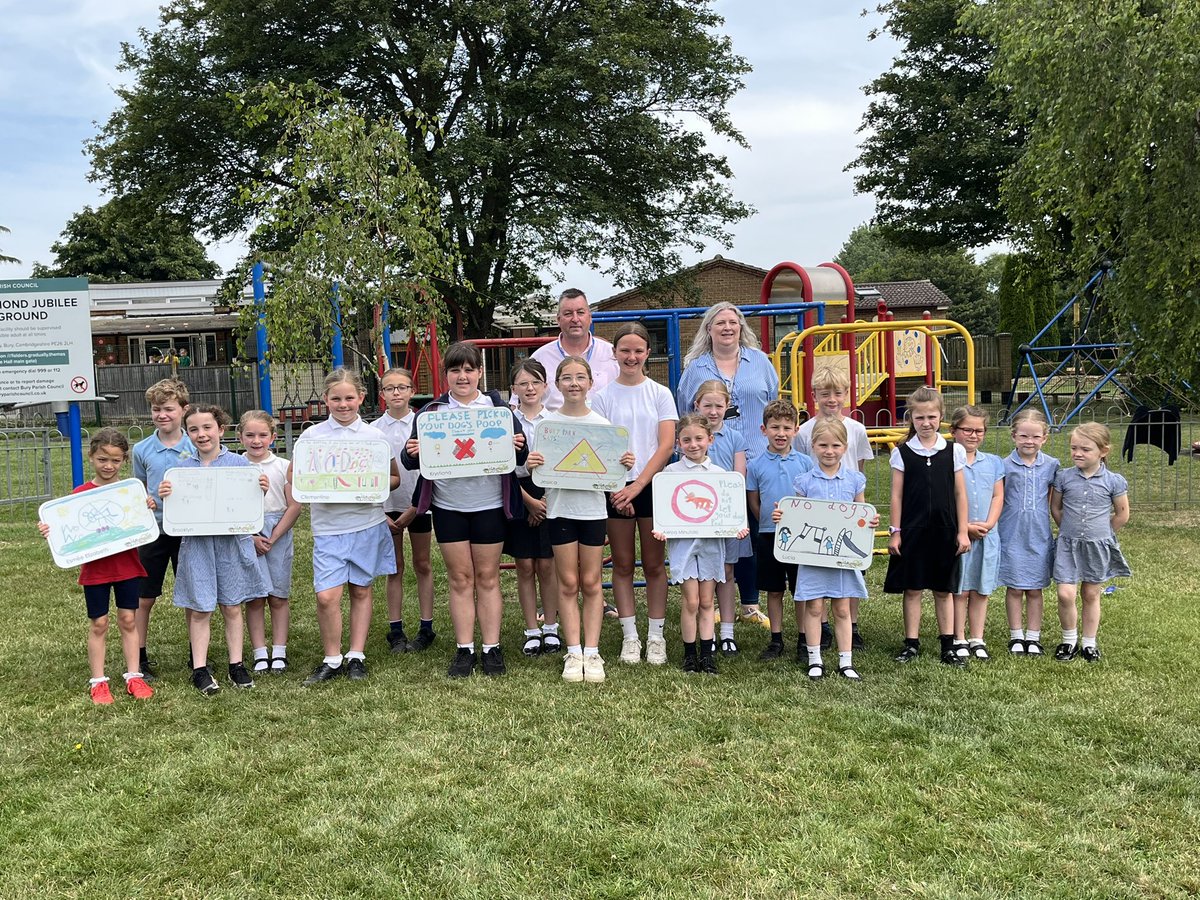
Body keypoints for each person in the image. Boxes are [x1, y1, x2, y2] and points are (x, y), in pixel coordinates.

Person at [401, 342, 528, 678]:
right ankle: (463, 650)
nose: (462, 376)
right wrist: (411, 451)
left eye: (469, 369)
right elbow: (411, 459)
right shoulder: (430, 414)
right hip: (448, 506)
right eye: (455, 370)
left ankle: (491, 648)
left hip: (490, 505)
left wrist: (519, 445)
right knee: (460, 579)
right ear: (446, 375)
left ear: (480, 373)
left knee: (487, 578)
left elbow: (520, 458)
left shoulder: (499, 410)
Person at [526, 357, 633, 683]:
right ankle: (573, 653)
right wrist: (533, 463)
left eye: (580, 377)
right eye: (567, 378)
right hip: (560, 512)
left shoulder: (603, 426)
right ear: (557, 384)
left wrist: (624, 462)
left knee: (591, 583)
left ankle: (592, 652)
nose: (574, 383)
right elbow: (539, 475)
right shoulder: (548, 427)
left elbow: (613, 470)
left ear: (590, 383)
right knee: (568, 584)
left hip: (593, 513)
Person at [291, 369, 401, 686]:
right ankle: (331, 657)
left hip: (366, 523)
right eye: (336, 398)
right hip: (328, 527)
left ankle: (356, 655)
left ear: (361, 398)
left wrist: (374, 485)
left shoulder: (375, 438)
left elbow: (394, 479)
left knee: (361, 590)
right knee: (327, 596)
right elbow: (295, 479)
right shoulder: (312, 437)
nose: (343, 404)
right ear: (325, 399)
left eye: (349, 398)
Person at [676, 301, 780, 630]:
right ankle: (716, 603)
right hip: (713, 461)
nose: (727, 328)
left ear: (741, 327)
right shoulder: (696, 368)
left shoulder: (760, 362)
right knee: (717, 531)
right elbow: (685, 412)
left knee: (750, 530)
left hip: (757, 459)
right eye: (719, 323)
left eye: (732, 323)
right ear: (709, 329)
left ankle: (750, 602)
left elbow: (773, 400)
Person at [158, 404, 270, 695]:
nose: (201, 434)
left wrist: (260, 489)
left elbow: (251, 508)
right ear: (187, 433)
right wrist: (167, 495)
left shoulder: (240, 466)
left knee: (232, 606)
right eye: (193, 429)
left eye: (207, 427)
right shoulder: (181, 469)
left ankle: (237, 665)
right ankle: (200, 668)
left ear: (220, 430)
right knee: (200, 609)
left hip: (231, 545)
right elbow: (175, 513)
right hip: (197, 547)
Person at [38, 428, 156, 704]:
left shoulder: (130, 493)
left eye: (115, 460)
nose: (108, 466)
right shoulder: (79, 495)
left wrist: (146, 507)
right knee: (99, 623)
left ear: (124, 461)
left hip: (127, 567)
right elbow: (67, 528)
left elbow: (141, 524)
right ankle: (99, 682)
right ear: (91, 457)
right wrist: (49, 529)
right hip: (95, 571)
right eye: (103, 459)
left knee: (128, 620)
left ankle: (134, 675)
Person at [591, 322, 678, 665]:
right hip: (614, 489)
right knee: (623, 564)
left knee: (655, 564)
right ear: (614, 354)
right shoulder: (602, 397)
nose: (631, 356)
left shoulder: (660, 393)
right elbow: (599, 446)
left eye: (638, 350)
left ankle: (656, 636)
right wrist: (619, 488)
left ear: (648, 353)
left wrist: (638, 485)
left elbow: (666, 444)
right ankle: (630, 637)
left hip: (651, 486)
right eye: (624, 350)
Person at [653, 414, 749, 675]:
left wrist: (737, 526)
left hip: (711, 544)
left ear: (710, 439)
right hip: (683, 544)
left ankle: (707, 655)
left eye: (698, 438)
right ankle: (689, 655)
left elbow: (730, 510)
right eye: (686, 440)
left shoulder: (720, 476)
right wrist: (661, 529)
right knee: (691, 601)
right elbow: (664, 510)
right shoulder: (670, 474)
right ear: (678, 443)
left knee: (707, 601)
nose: (693, 444)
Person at [884, 386, 970, 667]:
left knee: (943, 590)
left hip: (945, 530)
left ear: (941, 416)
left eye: (932, 417)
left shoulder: (954, 451)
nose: (926, 423)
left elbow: (959, 493)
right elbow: (896, 495)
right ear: (912, 418)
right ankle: (911, 643)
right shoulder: (902, 452)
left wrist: (962, 530)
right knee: (913, 588)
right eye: (920, 418)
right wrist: (895, 532)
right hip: (913, 530)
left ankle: (948, 644)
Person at [786, 418, 878, 681]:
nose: (829, 450)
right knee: (814, 607)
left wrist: (869, 521)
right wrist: (784, 516)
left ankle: (845, 661)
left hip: (843, 558)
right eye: (823, 445)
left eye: (836, 445)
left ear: (845, 447)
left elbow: (861, 511)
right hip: (814, 556)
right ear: (813, 446)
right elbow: (796, 516)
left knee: (842, 609)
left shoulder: (854, 480)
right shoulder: (804, 481)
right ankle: (815, 659)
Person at [792, 366, 874, 651]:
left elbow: (859, 467)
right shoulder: (803, 432)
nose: (831, 399)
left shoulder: (857, 429)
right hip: (817, 509)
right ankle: (822, 627)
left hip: (847, 509)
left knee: (849, 570)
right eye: (824, 393)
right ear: (814, 395)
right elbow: (803, 467)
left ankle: (851, 625)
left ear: (847, 395)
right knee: (818, 568)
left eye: (837, 393)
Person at [1050, 423, 1131, 663]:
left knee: (1091, 594)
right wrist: (1068, 529)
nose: (1077, 453)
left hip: (1097, 546)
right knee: (1066, 594)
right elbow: (1056, 507)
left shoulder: (1114, 481)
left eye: (1085, 449)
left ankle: (1089, 643)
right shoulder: (1064, 477)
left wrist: (1102, 534)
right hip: (1068, 544)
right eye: (1074, 448)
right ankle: (1068, 640)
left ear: (1103, 451)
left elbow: (1122, 514)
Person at [132, 377, 195, 677]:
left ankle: (198, 653)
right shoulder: (142, 449)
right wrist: (145, 499)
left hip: (188, 530)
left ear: (184, 409)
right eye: (156, 409)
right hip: (153, 532)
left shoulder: (195, 444)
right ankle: (139, 655)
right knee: (145, 596)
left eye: (168, 409)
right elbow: (138, 488)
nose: (162, 415)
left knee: (192, 594)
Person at [374, 367, 437, 654]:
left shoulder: (426, 425)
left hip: (420, 504)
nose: (396, 392)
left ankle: (426, 627)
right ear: (382, 394)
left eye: (402, 387)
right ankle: (395, 630)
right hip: (387, 508)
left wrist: (417, 506)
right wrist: (380, 512)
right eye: (390, 388)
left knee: (422, 564)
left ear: (413, 391)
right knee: (394, 567)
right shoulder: (374, 431)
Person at [746, 399, 815, 661]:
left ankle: (803, 638)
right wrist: (765, 520)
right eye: (775, 427)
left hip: (801, 537)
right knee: (774, 589)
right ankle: (776, 639)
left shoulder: (806, 463)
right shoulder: (755, 465)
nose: (781, 433)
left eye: (787, 427)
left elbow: (811, 499)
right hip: (769, 534)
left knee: (801, 590)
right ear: (764, 429)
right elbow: (754, 500)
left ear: (796, 430)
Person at [239, 410, 302, 674]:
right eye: (250, 435)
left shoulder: (283, 466)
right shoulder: (234, 465)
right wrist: (250, 536)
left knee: (277, 595)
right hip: (245, 532)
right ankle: (258, 652)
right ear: (240, 437)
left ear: (273, 437)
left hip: (277, 531)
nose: (256, 440)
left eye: (263, 435)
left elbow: (295, 505)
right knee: (254, 597)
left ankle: (279, 651)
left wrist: (272, 537)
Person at [505, 359, 560, 658]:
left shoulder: (555, 421)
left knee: (548, 565)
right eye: (523, 383)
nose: (530, 388)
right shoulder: (506, 423)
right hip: (518, 494)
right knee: (524, 565)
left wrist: (546, 501)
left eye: (535, 382)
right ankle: (531, 631)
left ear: (545, 386)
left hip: (550, 496)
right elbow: (503, 467)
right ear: (513, 388)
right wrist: (529, 502)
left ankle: (551, 627)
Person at [691, 379, 750, 656]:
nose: (713, 411)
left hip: (726, 516)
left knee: (726, 573)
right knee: (702, 575)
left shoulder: (736, 438)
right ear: (697, 405)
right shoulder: (690, 436)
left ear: (727, 407)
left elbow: (739, 477)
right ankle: (706, 633)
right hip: (696, 518)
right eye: (707, 405)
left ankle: (727, 632)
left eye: (719, 406)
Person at [997, 409, 1060, 657]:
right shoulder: (1003, 465)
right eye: (1023, 436)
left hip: (1038, 534)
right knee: (1014, 587)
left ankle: (1033, 637)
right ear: (1014, 436)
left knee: (1035, 589)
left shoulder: (1052, 465)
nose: (1029, 441)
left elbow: (1054, 502)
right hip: (1011, 533)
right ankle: (1016, 635)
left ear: (1044, 437)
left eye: (1035, 436)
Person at [949, 405, 1005, 660]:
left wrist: (989, 523)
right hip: (959, 535)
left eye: (979, 430)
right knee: (960, 590)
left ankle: (977, 637)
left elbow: (997, 495)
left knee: (981, 590)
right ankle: (958, 636)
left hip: (987, 535)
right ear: (953, 431)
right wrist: (965, 528)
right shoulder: (946, 462)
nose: (973, 435)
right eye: (967, 430)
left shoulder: (993, 462)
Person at [529, 289, 619, 411]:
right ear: (558, 319)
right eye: (568, 313)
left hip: (603, 427)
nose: (575, 319)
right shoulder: (539, 359)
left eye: (580, 312)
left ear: (590, 317)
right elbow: (520, 405)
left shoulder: (612, 355)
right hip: (555, 428)